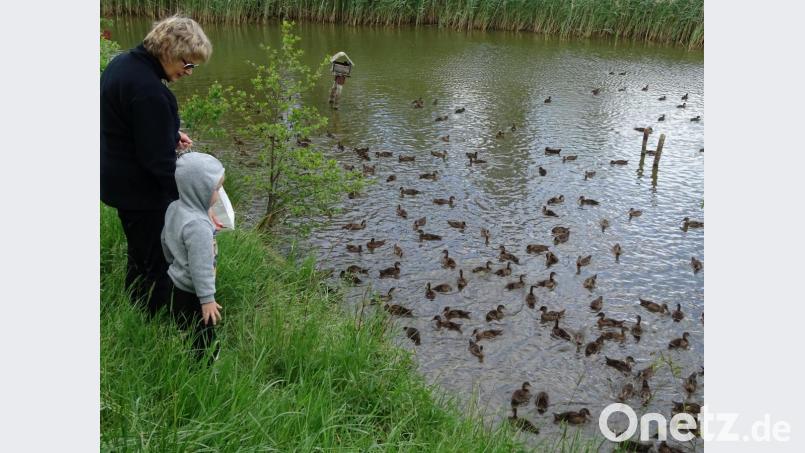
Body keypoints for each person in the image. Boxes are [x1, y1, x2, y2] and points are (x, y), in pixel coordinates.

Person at [100, 15, 212, 308]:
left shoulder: (121, 64)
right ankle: (153, 321)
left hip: (118, 182)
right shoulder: (150, 91)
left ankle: (134, 306)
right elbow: (159, 163)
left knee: (139, 254)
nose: (189, 72)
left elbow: (128, 122)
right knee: (159, 263)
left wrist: (168, 132)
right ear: (169, 51)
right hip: (141, 192)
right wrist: (193, 202)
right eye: (187, 63)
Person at [160, 151, 225, 361]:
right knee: (203, 334)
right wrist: (206, 299)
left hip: (174, 281)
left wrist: (172, 263)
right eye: (216, 188)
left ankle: (179, 350)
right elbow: (201, 267)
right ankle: (204, 367)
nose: (219, 193)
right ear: (200, 190)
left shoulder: (175, 207)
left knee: (183, 325)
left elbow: (165, 240)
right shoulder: (198, 227)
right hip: (193, 292)